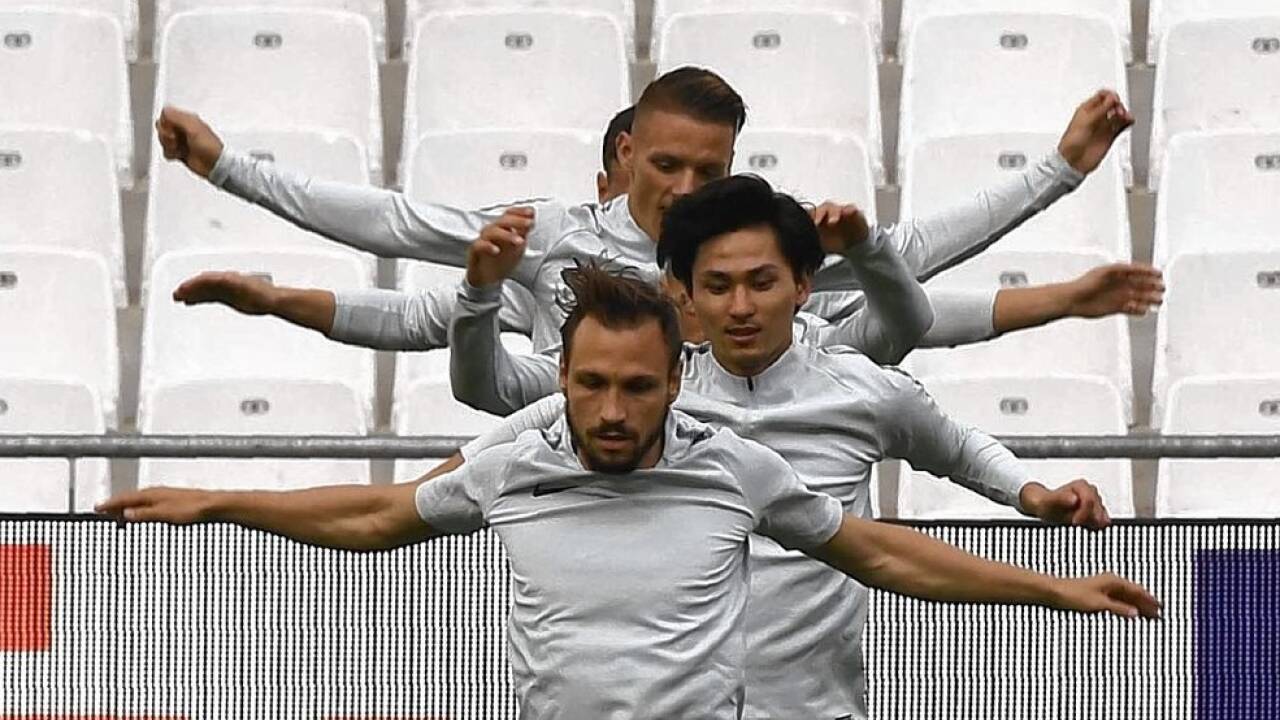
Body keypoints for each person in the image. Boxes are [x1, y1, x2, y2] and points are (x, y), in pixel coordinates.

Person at [97, 265, 1160, 719]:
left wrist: (1048, 590)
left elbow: (875, 551)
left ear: (670, 381)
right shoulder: (514, 463)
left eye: (636, 387)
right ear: (561, 375)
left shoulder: (731, 465)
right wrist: (224, 501)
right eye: (590, 383)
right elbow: (376, 515)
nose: (610, 410)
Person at [452, 176, 1134, 718]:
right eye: (717, 286)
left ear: (803, 286)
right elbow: (482, 441)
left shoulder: (861, 389)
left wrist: (1032, 494)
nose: (741, 306)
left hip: (814, 707)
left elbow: (952, 454)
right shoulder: (639, 397)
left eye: (762, 282)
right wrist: (479, 297)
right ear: (684, 294)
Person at [155, 66, 1134, 353]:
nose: (681, 187)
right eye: (664, 163)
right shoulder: (551, 235)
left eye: (704, 169)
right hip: (572, 488)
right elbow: (400, 242)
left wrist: (1059, 172)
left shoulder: (751, 253)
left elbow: (908, 275)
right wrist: (228, 172)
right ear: (624, 153)